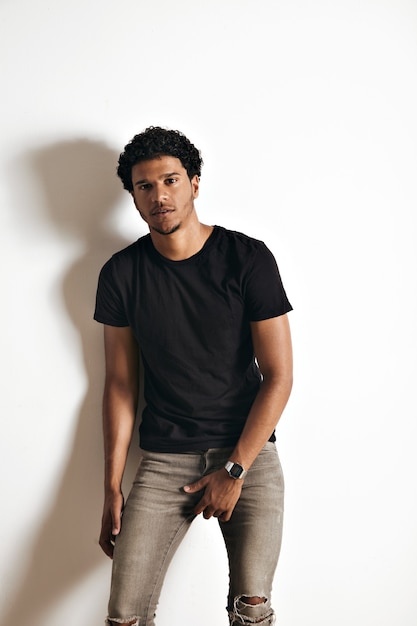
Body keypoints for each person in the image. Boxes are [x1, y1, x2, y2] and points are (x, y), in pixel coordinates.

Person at [94, 126, 293, 626]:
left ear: (195, 183)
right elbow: (120, 384)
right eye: (145, 186)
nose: (159, 195)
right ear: (134, 198)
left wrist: (235, 470)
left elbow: (279, 375)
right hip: (165, 460)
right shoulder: (121, 274)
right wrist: (112, 486)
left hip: (247, 452)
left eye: (171, 180)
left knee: (252, 609)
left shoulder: (247, 259)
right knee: (125, 616)